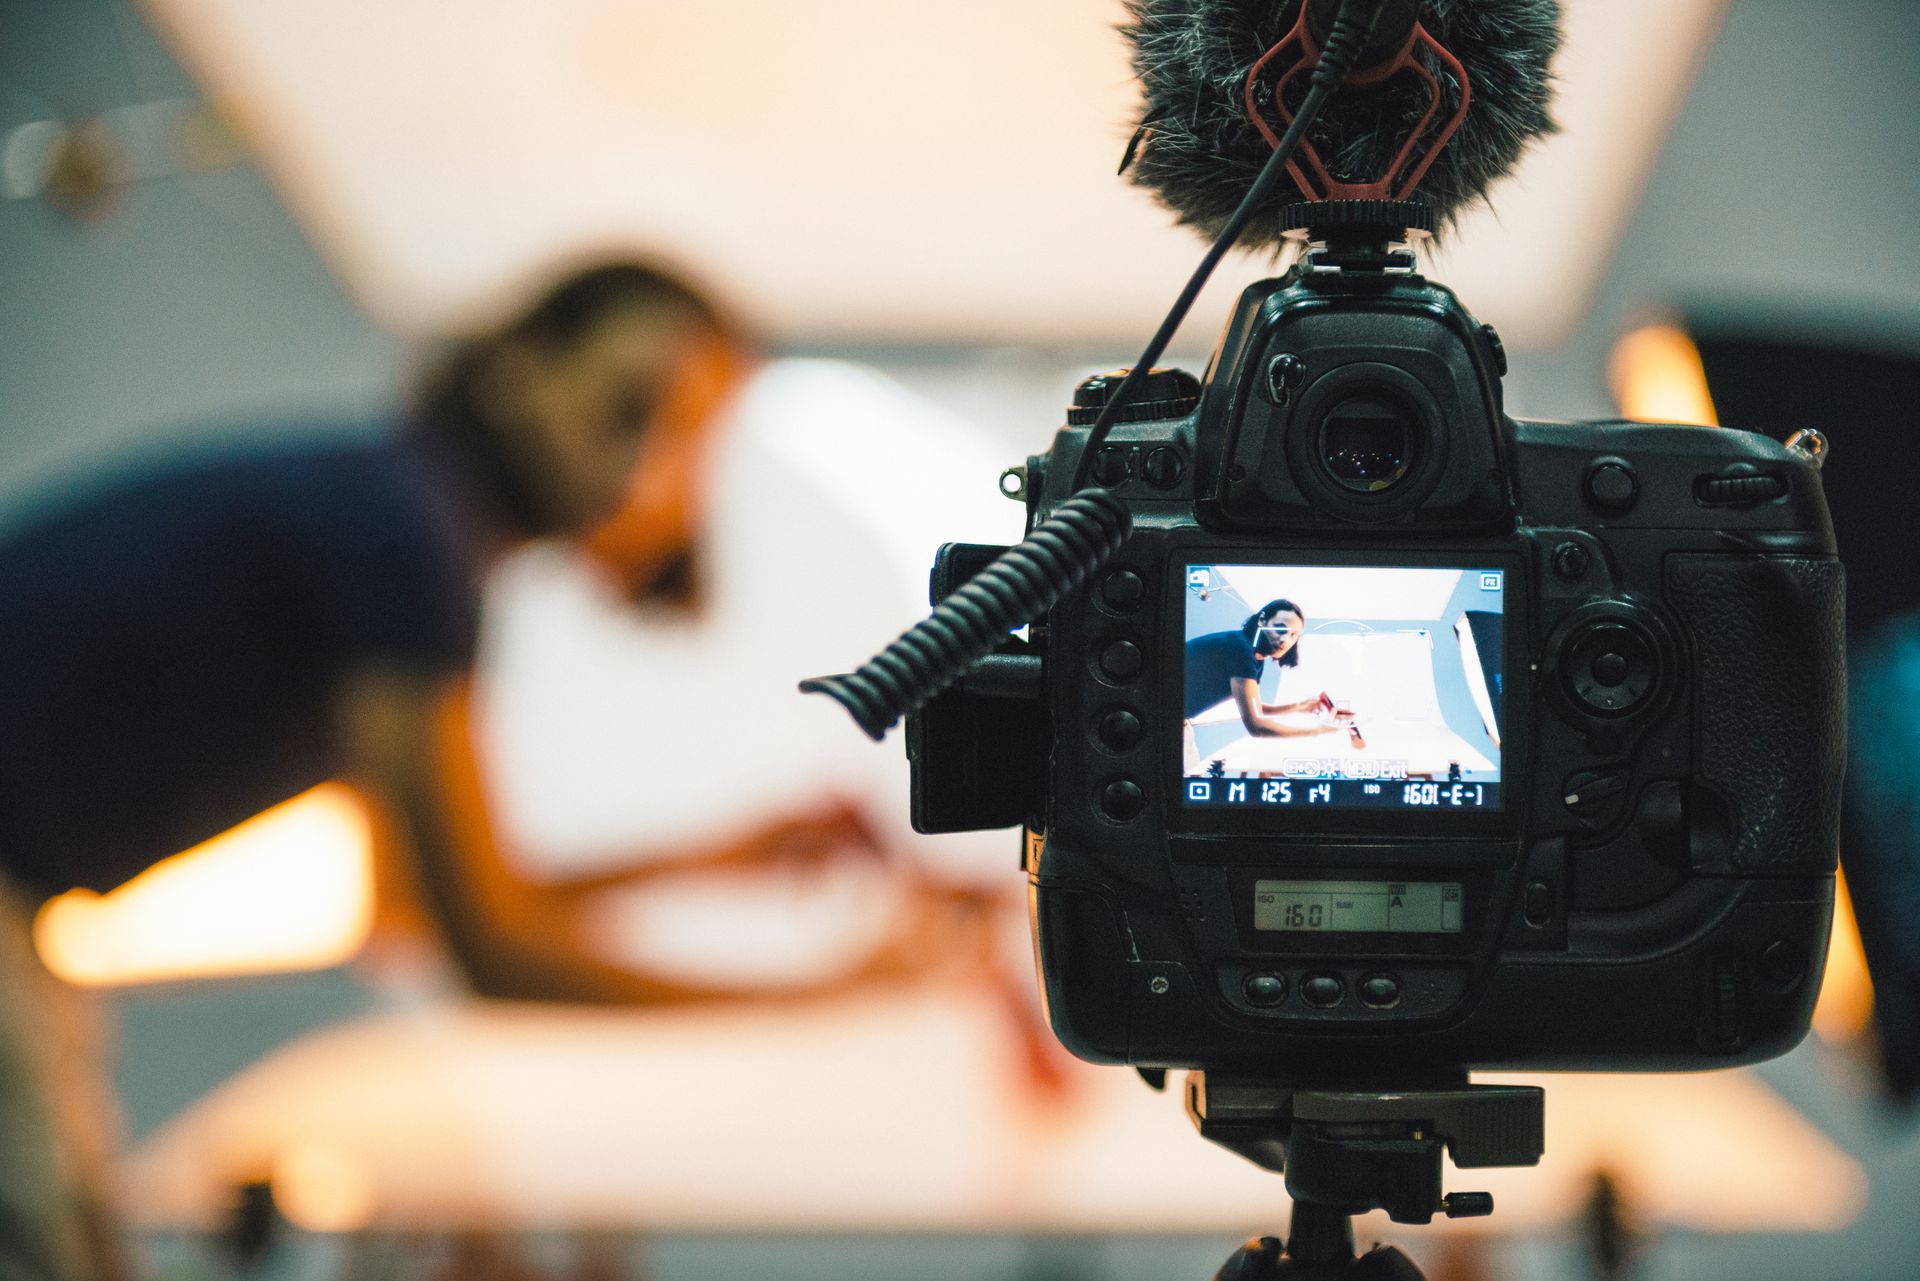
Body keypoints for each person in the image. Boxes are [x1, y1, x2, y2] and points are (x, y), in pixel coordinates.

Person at [0, 261, 922, 1278]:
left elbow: (423, 907)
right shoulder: (406, 544)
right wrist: (826, 994)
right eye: (629, 409)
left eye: (689, 448)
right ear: (516, 367)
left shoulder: (395, 519)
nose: (650, 472)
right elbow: (492, 952)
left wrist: (716, 859)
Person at [1183, 598, 1349, 738]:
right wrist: (1320, 731)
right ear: (1262, 620)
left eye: (1294, 635)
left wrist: (1299, 707)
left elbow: (1255, 708)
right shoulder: (1240, 649)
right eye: (1280, 628)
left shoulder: (1254, 656)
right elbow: (1256, 725)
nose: (1286, 640)